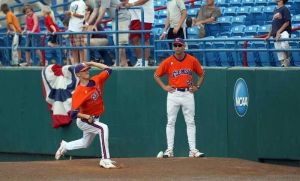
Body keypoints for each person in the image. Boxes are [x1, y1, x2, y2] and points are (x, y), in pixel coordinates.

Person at [55, 61, 117, 169]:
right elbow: (72, 114)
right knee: (103, 128)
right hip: (85, 121)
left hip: (95, 118)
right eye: (84, 71)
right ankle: (105, 160)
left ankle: (65, 146)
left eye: (87, 69)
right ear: (78, 74)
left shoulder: (96, 80)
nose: (87, 71)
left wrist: (92, 63)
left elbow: (108, 69)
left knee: (85, 143)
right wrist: (86, 117)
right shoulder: (79, 92)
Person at [154, 38, 205, 158]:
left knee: (190, 122)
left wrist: (197, 86)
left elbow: (202, 73)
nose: (177, 47)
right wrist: (164, 86)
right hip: (173, 94)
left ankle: (193, 150)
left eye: (179, 45)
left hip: (188, 93)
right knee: (170, 122)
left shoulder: (192, 60)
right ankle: (169, 150)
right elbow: (156, 75)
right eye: (175, 45)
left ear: (184, 47)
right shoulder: (168, 61)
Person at [92, 0, 130, 67]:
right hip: (115, 19)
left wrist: (95, 24)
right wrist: (87, 24)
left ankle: (117, 63)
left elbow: (102, 12)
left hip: (122, 18)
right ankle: (124, 63)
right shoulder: (96, 1)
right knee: (118, 43)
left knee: (120, 43)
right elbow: (94, 12)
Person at [125, 0, 154, 67]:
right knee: (134, 38)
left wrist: (132, 4)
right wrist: (124, 4)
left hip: (145, 15)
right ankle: (139, 61)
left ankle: (146, 62)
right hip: (134, 16)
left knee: (145, 38)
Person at [264, 0, 291, 67]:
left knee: (284, 46)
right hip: (275, 34)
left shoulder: (285, 9)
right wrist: (268, 35)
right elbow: (273, 24)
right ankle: (283, 65)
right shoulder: (275, 10)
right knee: (279, 51)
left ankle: (288, 58)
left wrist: (279, 32)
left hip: (284, 32)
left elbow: (287, 22)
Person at [65, 0, 86, 64]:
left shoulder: (82, 3)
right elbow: (71, 15)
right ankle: (75, 63)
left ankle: (82, 63)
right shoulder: (72, 3)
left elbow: (82, 15)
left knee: (80, 47)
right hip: (71, 28)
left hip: (78, 28)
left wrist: (71, 13)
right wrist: (68, 14)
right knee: (74, 48)